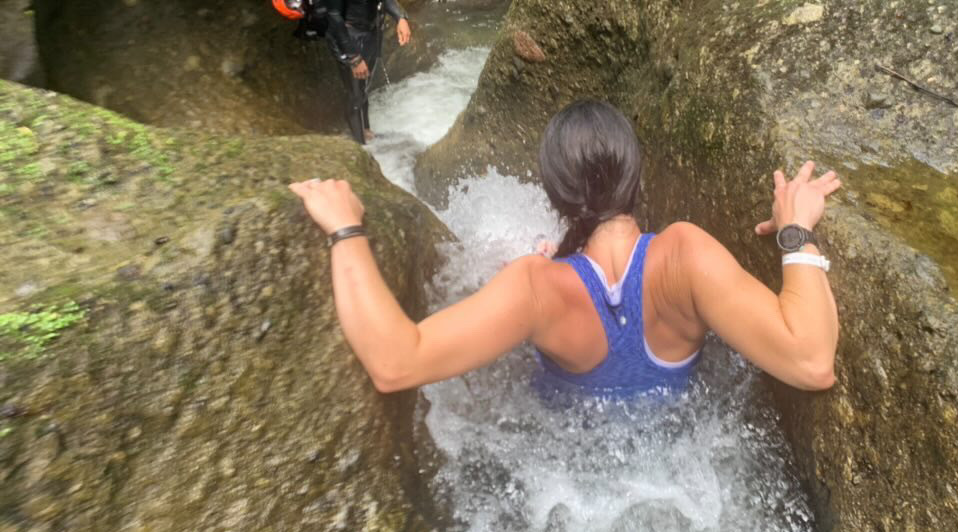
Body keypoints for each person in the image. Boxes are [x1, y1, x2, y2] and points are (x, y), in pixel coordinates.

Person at [289, 100, 841, 397]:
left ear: (554, 194)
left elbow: (394, 363)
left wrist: (346, 231)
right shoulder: (685, 256)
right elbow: (812, 362)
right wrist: (795, 229)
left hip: (566, 477)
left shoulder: (535, 287)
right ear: (637, 176)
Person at [323, 0, 412, 144]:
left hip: (369, 32)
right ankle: (360, 148)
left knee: (364, 87)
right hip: (347, 36)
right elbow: (333, 16)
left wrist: (400, 17)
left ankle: (366, 131)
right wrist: (353, 57)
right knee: (354, 93)